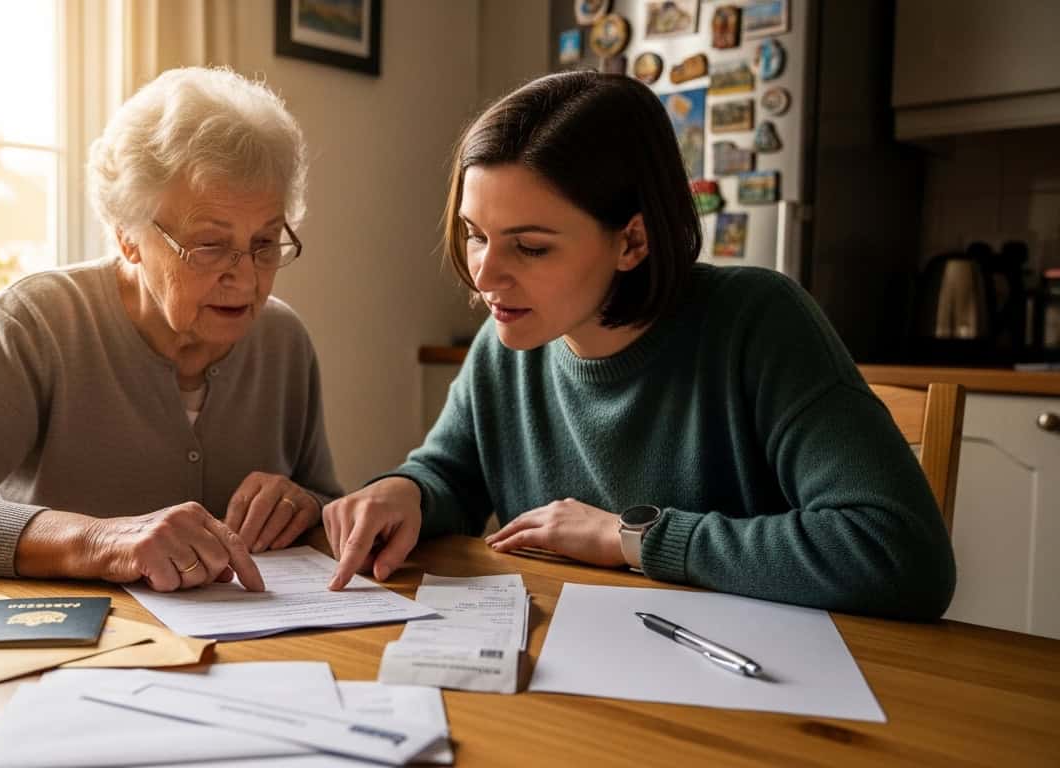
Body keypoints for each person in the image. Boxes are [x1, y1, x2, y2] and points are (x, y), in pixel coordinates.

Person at [322, 71, 955, 620]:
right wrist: (405, 491)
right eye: (475, 234)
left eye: (531, 246)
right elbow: (450, 476)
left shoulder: (759, 323)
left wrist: (634, 537)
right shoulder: (505, 340)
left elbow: (900, 554)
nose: (484, 277)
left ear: (633, 241)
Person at [0, 67, 342, 592]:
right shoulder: (38, 323)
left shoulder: (283, 340)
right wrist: (99, 541)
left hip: (250, 653)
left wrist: (306, 505)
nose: (245, 277)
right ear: (128, 237)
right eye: (209, 245)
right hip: (72, 653)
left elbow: (329, 506)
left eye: (265, 243)